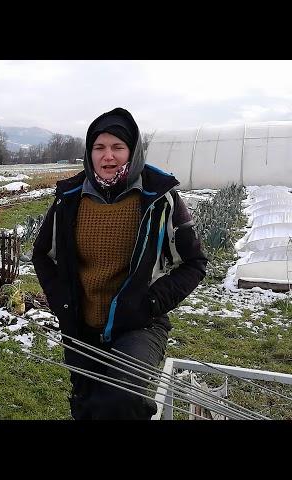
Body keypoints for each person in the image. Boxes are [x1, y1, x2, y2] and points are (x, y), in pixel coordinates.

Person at [32, 107, 207, 420]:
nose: (108, 157)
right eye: (99, 148)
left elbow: (194, 263)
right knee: (87, 404)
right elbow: (42, 255)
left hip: (139, 324)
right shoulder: (69, 198)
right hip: (82, 326)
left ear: (133, 151)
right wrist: (62, 302)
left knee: (122, 398)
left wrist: (151, 301)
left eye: (117, 147)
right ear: (89, 152)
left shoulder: (158, 197)